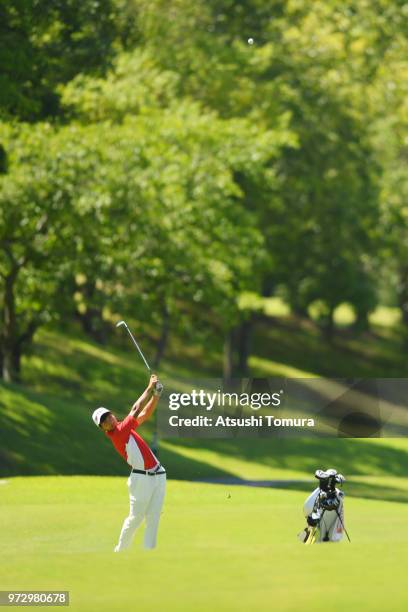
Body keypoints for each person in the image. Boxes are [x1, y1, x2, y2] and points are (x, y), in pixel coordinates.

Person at [92, 374, 165, 551]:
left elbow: (145, 414)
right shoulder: (118, 434)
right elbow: (135, 409)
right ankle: (120, 551)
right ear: (103, 429)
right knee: (136, 517)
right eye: (103, 421)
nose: (108, 420)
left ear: (112, 414)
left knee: (154, 516)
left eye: (107, 416)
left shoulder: (125, 427)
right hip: (141, 479)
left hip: (158, 474)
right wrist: (149, 388)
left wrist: (156, 396)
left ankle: (149, 552)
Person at [299, 468, 346, 543]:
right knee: (312, 528)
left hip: (314, 515)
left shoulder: (335, 493)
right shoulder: (321, 494)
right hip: (312, 515)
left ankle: (308, 539)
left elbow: (340, 497)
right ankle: (307, 539)